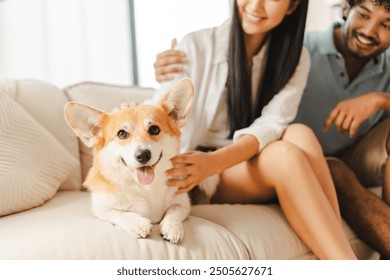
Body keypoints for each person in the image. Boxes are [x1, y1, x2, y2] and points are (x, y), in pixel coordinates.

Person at [154, 0, 390, 259]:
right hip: (196, 170)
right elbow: (158, 111)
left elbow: (273, 123)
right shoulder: (197, 45)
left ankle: (339, 257)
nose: (256, 5)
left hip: (229, 162)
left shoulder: (296, 57)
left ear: (292, 7)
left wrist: (214, 162)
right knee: (285, 154)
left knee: (299, 133)